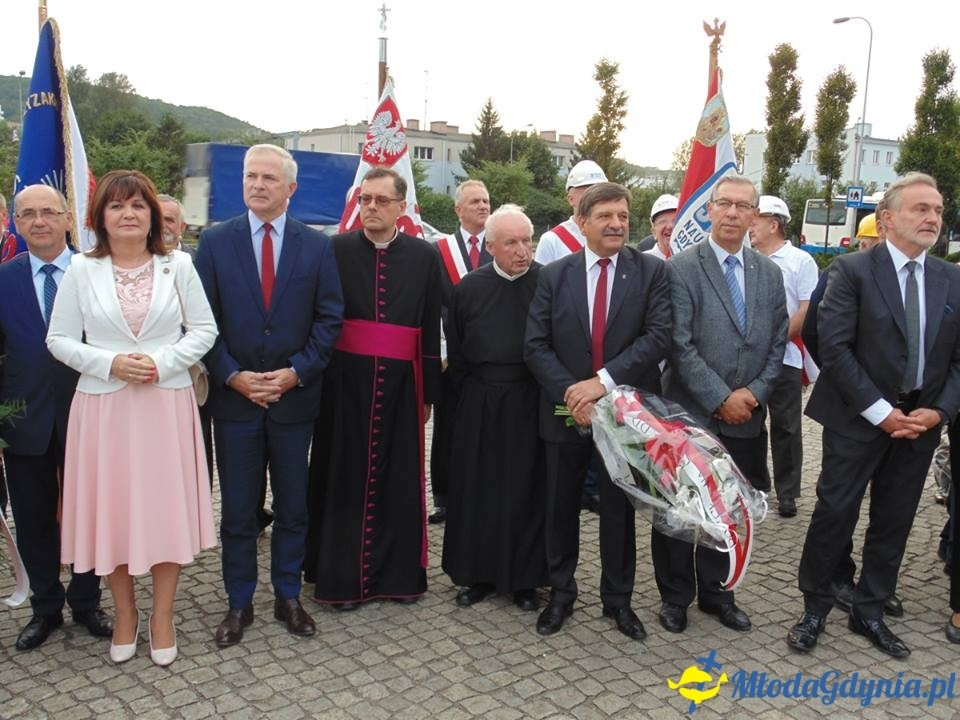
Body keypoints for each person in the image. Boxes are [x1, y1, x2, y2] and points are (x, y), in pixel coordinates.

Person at [46, 170, 218, 666]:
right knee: (113, 512)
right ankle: (125, 614)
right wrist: (111, 363)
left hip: (165, 402)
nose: (128, 214)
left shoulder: (178, 266)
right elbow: (58, 340)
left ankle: (162, 616)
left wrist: (163, 362)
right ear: (100, 216)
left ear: (152, 216)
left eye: (137, 206)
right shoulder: (81, 269)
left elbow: (204, 329)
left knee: (164, 511)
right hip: (104, 406)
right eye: (116, 206)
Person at [788, 172, 960, 658]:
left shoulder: (952, 279)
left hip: (920, 425)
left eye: (938, 210)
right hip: (856, 420)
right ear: (886, 219)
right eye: (920, 209)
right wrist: (880, 411)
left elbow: (958, 361)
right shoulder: (851, 271)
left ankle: (871, 609)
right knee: (835, 512)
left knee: (895, 518)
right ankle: (816, 607)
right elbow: (831, 345)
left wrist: (938, 411)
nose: (932, 218)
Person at [194, 144, 343, 648]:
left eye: (268, 178)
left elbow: (329, 320)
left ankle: (287, 595)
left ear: (290, 189)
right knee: (237, 510)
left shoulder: (317, 247)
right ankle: (239, 603)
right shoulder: (214, 244)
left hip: (293, 402)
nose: (257, 185)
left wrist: (295, 374)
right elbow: (201, 324)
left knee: (293, 506)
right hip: (235, 401)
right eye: (250, 176)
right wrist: (232, 375)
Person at [525, 182, 671, 640]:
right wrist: (574, 393)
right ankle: (562, 594)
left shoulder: (651, 273)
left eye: (623, 215)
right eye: (605, 215)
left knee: (618, 511)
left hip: (625, 415)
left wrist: (600, 385)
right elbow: (535, 344)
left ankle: (618, 600)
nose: (616, 223)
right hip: (566, 412)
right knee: (560, 507)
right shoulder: (553, 274)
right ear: (583, 222)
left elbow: (657, 337)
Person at [657, 175, 788, 635]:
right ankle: (675, 597)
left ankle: (717, 593)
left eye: (743, 206)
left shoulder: (770, 274)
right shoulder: (681, 269)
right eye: (724, 204)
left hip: (747, 415)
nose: (733, 213)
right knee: (679, 510)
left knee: (729, 508)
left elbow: (777, 344)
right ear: (708, 210)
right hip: (690, 414)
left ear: (756, 216)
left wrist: (752, 395)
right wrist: (720, 397)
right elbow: (679, 345)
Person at [306, 167, 441, 609]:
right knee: (341, 478)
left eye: (382, 201)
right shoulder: (336, 250)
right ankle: (340, 579)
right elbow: (320, 318)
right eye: (365, 200)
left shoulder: (424, 256)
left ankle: (398, 576)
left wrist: (428, 394)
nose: (371, 208)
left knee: (398, 478)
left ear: (402, 208)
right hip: (344, 384)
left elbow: (428, 325)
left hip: (403, 385)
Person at [0, 185, 112, 651]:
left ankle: (87, 601)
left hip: (89, 414)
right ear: (17, 224)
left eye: (49, 212)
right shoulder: (3, 279)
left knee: (88, 514)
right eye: (28, 214)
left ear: (69, 219)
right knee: (33, 518)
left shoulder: (97, 274)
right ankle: (45, 607)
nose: (39, 221)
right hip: (24, 421)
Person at [800, 203, 903, 618]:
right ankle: (835, 576)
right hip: (849, 409)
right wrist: (848, 385)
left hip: (905, 417)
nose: (876, 246)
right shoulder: (846, 270)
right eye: (871, 240)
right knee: (839, 504)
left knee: (891, 509)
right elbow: (816, 333)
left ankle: (873, 591)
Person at [441, 204, 546, 611]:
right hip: (480, 400)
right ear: (490, 246)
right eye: (512, 243)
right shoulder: (468, 288)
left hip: (531, 399)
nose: (522, 251)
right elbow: (460, 352)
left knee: (527, 490)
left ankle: (526, 580)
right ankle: (477, 574)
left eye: (527, 242)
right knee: (477, 489)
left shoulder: (547, 283)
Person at [534, 159, 610, 513]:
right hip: (566, 353)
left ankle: (595, 486)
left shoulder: (609, 234)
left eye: (596, 190)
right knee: (570, 425)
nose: (590, 196)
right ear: (570, 198)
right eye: (583, 191)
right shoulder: (553, 240)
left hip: (603, 354)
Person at [749, 195, 818, 518]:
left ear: (773, 223)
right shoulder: (745, 258)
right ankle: (757, 486)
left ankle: (787, 492)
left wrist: (773, 343)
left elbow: (806, 310)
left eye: (755, 219)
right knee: (751, 426)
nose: (749, 225)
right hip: (748, 360)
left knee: (787, 427)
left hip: (785, 358)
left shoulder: (801, 261)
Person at [429, 180, 492, 525]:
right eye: (474, 202)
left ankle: (481, 492)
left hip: (488, 356)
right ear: (458, 209)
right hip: (450, 357)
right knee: (448, 427)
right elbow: (434, 303)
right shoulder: (438, 251)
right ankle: (444, 496)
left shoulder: (498, 246)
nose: (482, 207)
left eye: (485, 201)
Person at [643, 194, 679, 260]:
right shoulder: (642, 262)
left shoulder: (694, 259)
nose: (670, 226)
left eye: (675, 220)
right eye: (662, 221)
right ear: (654, 232)